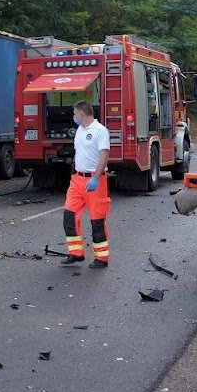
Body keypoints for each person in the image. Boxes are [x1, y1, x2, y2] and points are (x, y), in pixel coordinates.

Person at [63, 100, 111, 269]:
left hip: (94, 180)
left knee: (97, 220)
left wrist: (96, 178)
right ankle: (76, 253)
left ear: (81, 114)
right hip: (77, 179)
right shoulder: (80, 130)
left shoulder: (100, 131)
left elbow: (104, 156)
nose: (74, 117)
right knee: (69, 216)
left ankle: (101, 258)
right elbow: (79, 153)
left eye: (75, 114)